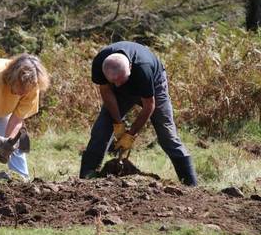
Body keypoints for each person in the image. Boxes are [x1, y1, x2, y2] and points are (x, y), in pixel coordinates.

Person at [79, 41, 197, 186]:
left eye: (120, 81)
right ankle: (86, 179)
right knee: (101, 129)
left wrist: (130, 134)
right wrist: (118, 124)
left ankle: (191, 185)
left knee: (167, 134)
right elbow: (106, 91)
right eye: (113, 82)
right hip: (119, 93)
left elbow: (149, 105)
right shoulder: (100, 64)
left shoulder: (143, 68)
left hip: (154, 86)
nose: (118, 85)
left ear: (130, 67)